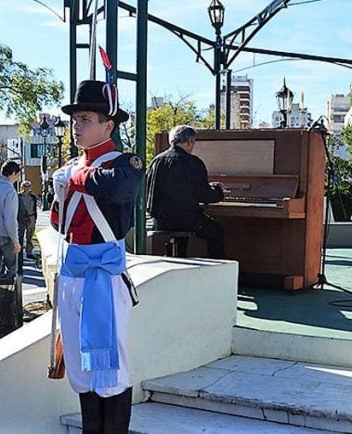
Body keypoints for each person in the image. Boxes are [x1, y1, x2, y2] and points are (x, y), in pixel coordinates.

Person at [51, 79, 143, 433]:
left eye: (86, 119)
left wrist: (75, 177)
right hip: (74, 273)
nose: (77, 126)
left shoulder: (125, 162)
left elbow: (116, 186)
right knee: (78, 365)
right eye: (76, 120)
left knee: (109, 366)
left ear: (109, 125)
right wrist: (61, 188)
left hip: (104, 277)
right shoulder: (72, 168)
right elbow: (62, 223)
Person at [146, 125, 228, 258]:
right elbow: (205, 195)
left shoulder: (156, 161)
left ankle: (178, 262)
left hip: (160, 221)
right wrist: (218, 192)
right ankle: (217, 274)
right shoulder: (193, 162)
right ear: (190, 142)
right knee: (217, 231)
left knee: (180, 231)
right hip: (186, 220)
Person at [18, 180, 39, 259]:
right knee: (20, 236)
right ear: (21, 187)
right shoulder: (18, 196)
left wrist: (34, 218)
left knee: (29, 236)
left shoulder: (33, 197)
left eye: (28, 186)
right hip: (21, 218)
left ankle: (29, 252)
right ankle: (19, 253)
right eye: (25, 186)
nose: (26, 188)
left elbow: (35, 208)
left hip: (31, 217)